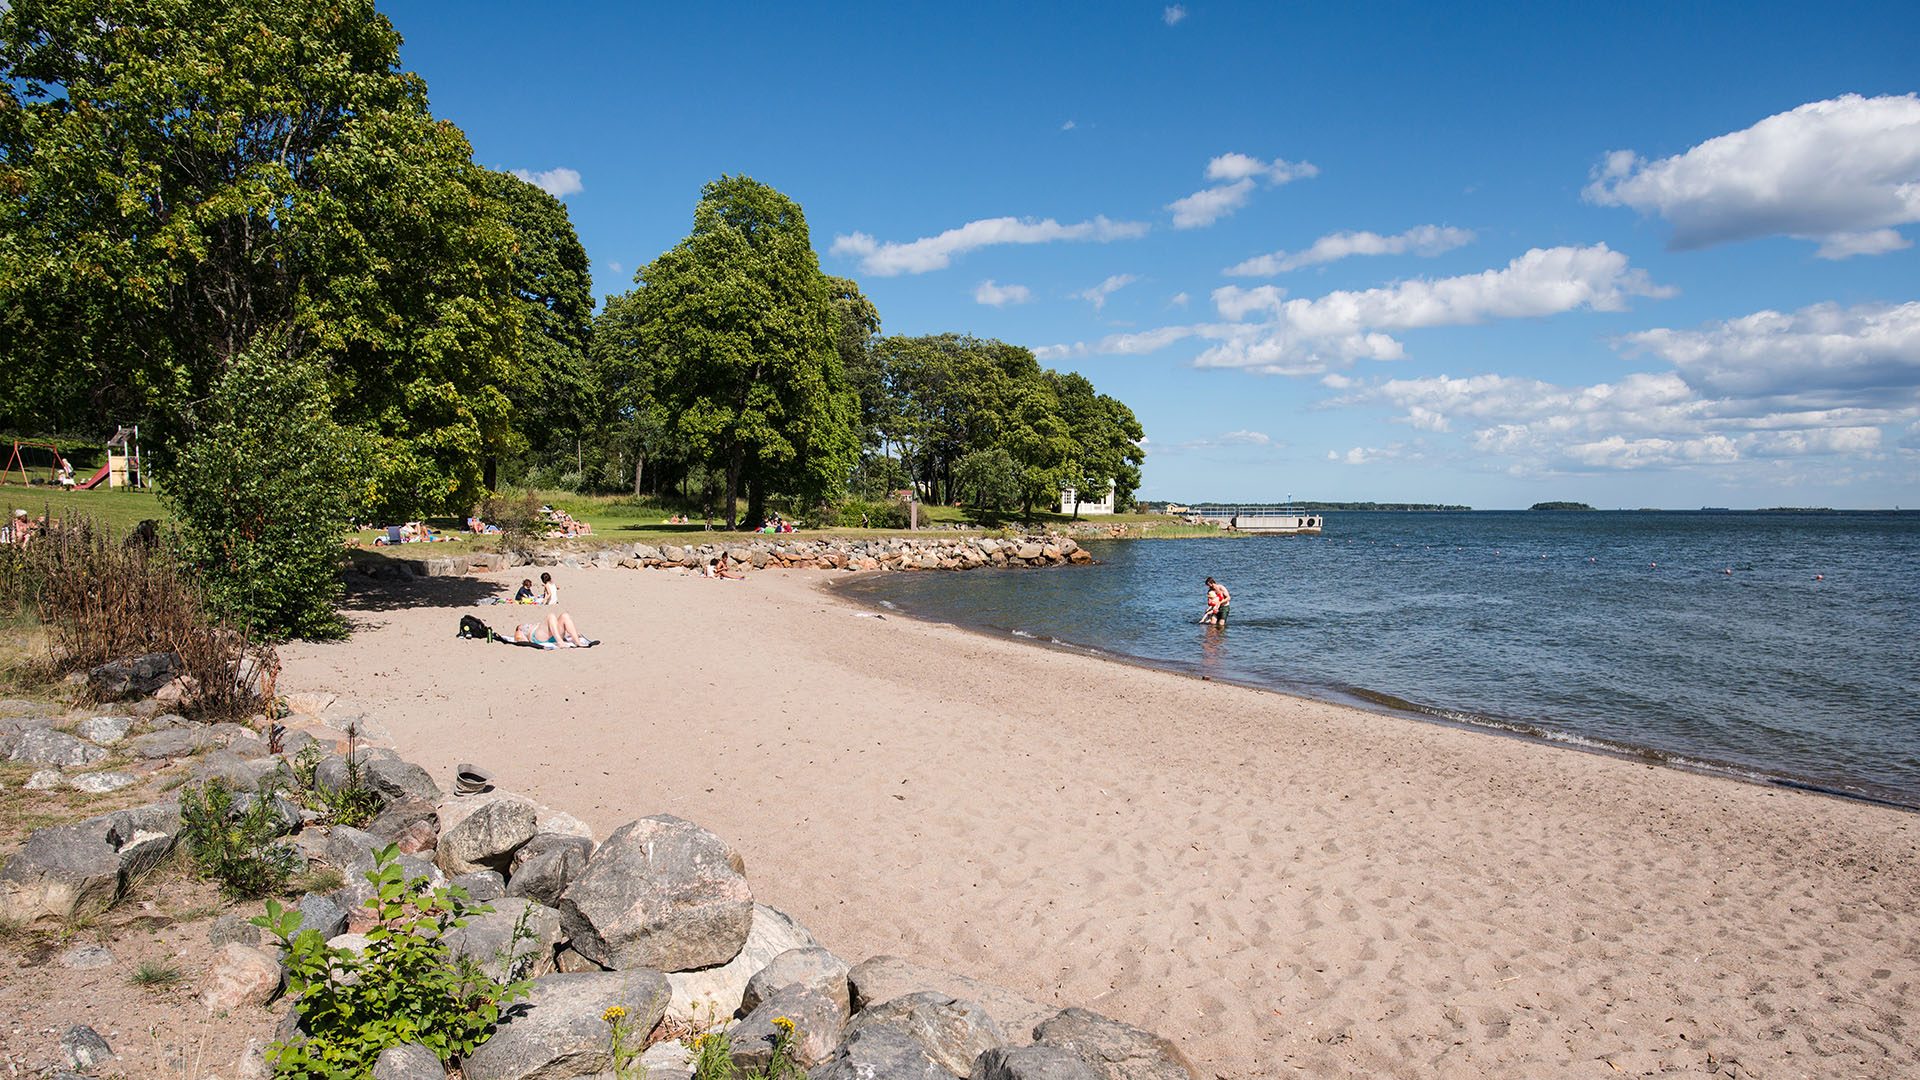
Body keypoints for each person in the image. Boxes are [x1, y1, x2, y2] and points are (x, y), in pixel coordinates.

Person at [513, 611, 597, 649]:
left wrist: (571, 634)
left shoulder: (536, 624)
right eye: (525, 626)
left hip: (551, 634)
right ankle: (560, 642)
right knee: (551, 616)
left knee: (565, 615)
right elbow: (520, 640)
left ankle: (577, 642)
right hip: (539, 637)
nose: (526, 625)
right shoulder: (519, 629)